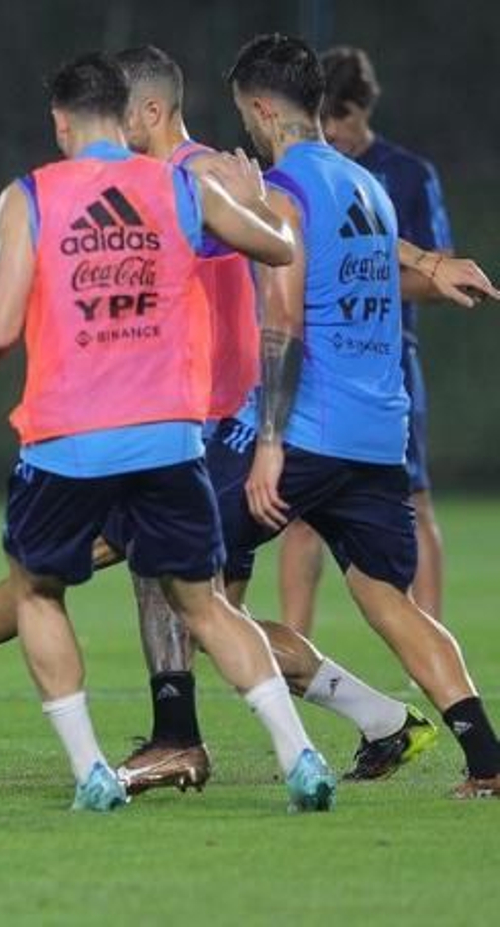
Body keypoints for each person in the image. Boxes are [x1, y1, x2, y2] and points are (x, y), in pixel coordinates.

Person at [0, 43, 497, 795]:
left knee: (139, 580)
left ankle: (175, 739)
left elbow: (286, 274)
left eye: (117, 111)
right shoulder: (313, 181)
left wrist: (264, 438)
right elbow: (327, 232)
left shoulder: (200, 178)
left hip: (234, 426)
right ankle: (408, 729)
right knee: (218, 605)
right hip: (337, 429)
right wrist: (430, 262)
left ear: (153, 111)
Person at [0, 52, 335, 812]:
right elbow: (281, 247)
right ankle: (301, 757)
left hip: (67, 440)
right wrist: (251, 198)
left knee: (38, 592)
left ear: (61, 122)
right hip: (170, 437)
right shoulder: (180, 186)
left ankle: (91, 771)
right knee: (205, 605)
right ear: (123, 113)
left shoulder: (30, 195)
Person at [221, 33, 500, 799]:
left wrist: (269, 443)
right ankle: (486, 758)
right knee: (387, 600)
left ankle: (203, 734)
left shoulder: (283, 193)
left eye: (243, 113)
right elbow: (384, 258)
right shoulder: (367, 185)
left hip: (308, 432)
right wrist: (434, 263)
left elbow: (283, 323)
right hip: (379, 434)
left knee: (196, 595)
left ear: (260, 109)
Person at [278, 45, 456, 633]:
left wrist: (359, 279)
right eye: (324, 118)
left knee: (415, 500)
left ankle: (427, 645)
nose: (333, 131)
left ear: (364, 110)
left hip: (388, 360)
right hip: (318, 362)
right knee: (297, 514)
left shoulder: (406, 174)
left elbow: (440, 275)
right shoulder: (310, 177)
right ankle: (296, 654)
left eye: (343, 117)